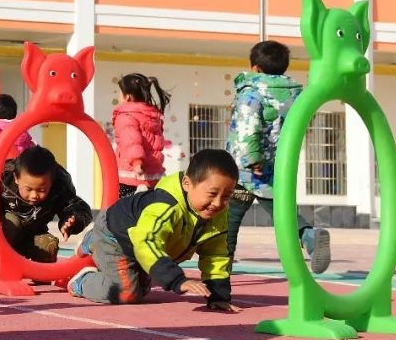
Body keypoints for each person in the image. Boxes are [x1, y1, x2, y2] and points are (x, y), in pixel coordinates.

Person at [67, 149, 240, 312]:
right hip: (116, 236)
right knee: (125, 292)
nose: (218, 203)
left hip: (139, 243)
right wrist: (176, 280)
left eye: (226, 196)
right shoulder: (166, 205)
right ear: (187, 184)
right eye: (212, 194)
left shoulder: (216, 213)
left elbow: (215, 255)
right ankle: (81, 281)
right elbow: (147, 241)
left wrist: (218, 296)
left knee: (142, 289)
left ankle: (93, 241)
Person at [226, 41, 330, 274]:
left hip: (245, 171)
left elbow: (247, 128)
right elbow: (304, 125)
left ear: (254, 67)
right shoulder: (297, 94)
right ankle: (309, 235)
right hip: (278, 165)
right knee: (281, 212)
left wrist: (252, 159)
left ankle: (220, 269)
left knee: (228, 220)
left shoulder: (251, 93)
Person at [0, 145, 92, 287]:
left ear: (52, 182)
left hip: (29, 234)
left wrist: (72, 221)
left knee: (48, 243)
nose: (34, 195)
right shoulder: (2, 176)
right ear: (16, 178)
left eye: (42, 190)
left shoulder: (60, 186)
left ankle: (40, 274)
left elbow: (78, 207)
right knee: (12, 222)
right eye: (29, 189)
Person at [112, 73, 169, 198]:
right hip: (153, 175)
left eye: (119, 92)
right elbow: (156, 142)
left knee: (125, 211)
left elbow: (131, 140)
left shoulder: (126, 115)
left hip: (131, 174)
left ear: (127, 97)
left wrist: (137, 162)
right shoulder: (152, 115)